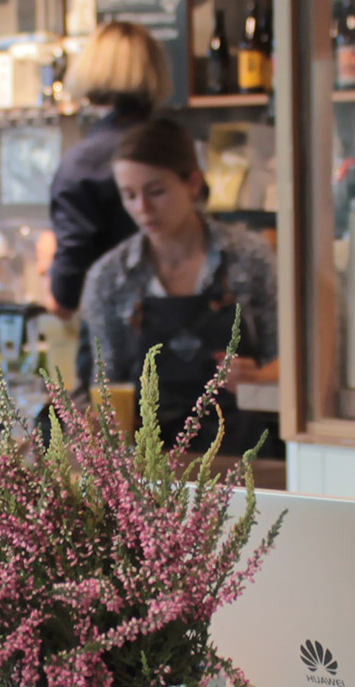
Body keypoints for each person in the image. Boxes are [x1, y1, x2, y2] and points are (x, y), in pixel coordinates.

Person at [77, 118, 278, 448]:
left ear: (193, 183)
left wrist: (257, 376)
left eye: (156, 192)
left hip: (245, 458)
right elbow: (100, 387)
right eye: (129, 195)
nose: (142, 208)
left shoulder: (250, 259)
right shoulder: (109, 277)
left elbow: (290, 363)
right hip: (147, 468)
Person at [48, 21, 170, 326]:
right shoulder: (176, 147)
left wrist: (46, 261)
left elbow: (66, 296)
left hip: (114, 343)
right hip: (188, 337)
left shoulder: (81, 164)